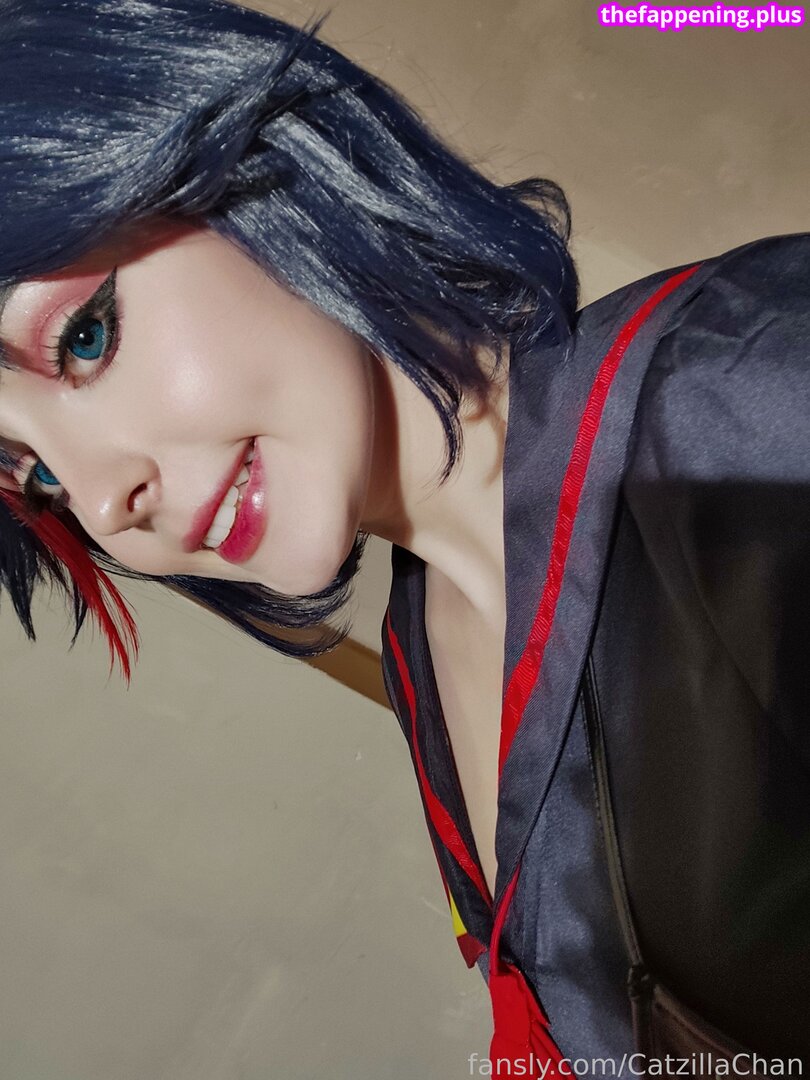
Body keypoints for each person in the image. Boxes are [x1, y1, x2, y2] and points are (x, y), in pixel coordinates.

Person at [0, 0, 807, 1073]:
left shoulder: (752, 406)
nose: (102, 505)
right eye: (37, 476)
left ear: (243, 166)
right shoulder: (422, 643)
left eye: (85, 338)